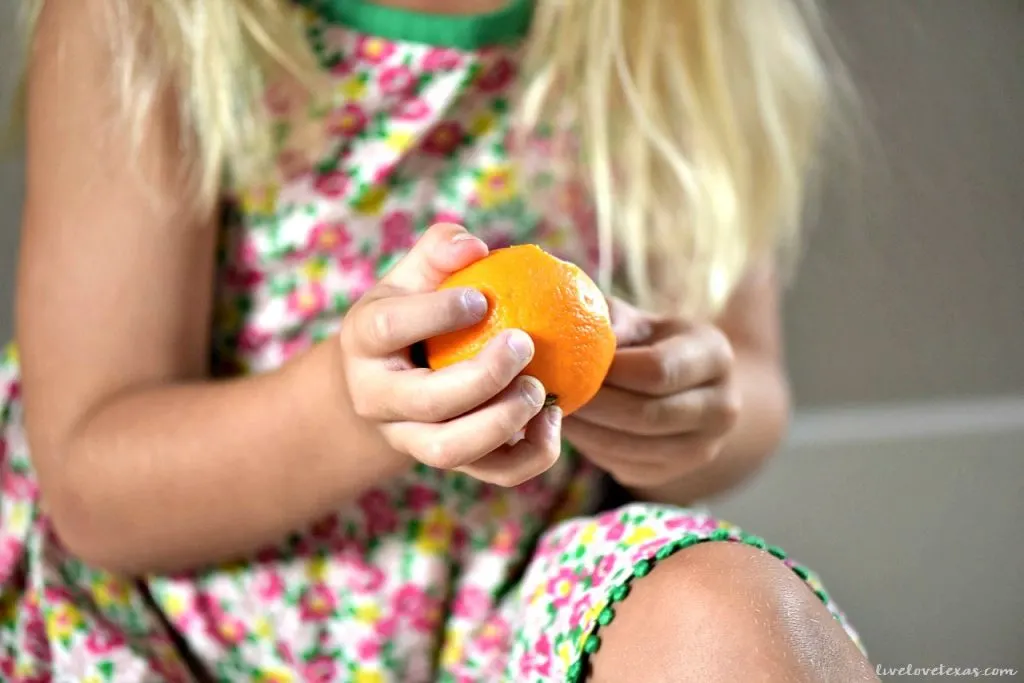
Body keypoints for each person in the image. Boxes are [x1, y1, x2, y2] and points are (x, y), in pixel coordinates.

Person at [0, 0, 878, 680]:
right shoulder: (154, 22)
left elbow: (750, 384)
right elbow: (93, 485)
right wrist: (364, 406)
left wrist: (688, 409)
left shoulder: (670, 24)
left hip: (517, 597)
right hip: (190, 627)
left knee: (744, 624)